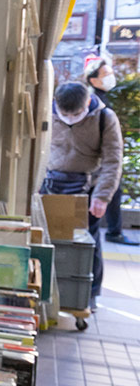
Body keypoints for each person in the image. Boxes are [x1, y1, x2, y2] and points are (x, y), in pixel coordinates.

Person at [42, 80, 123, 309]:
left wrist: (103, 196)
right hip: (51, 183)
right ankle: (51, 289)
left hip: (87, 187)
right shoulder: (48, 111)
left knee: (89, 243)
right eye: (64, 113)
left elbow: (112, 161)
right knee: (50, 239)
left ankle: (89, 293)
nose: (69, 118)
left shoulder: (105, 118)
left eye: (75, 113)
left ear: (87, 102)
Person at [84, 54, 137, 244]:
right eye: (106, 73)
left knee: (112, 195)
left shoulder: (100, 99)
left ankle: (114, 232)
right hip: (99, 165)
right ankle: (114, 232)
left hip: (104, 164)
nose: (111, 77)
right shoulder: (94, 103)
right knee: (93, 224)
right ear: (93, 79)